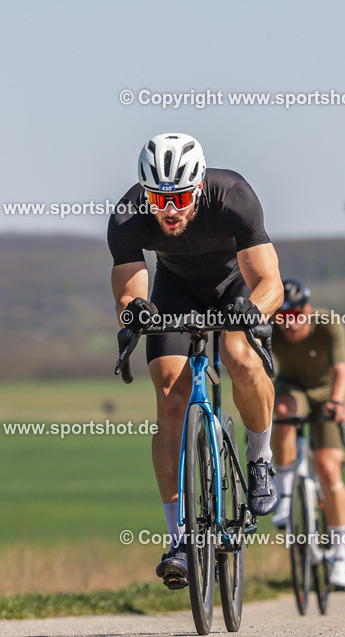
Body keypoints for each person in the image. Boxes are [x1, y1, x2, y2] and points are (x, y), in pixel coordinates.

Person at [107, 133, 284, 589]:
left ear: (200, 187)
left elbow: (269, 282)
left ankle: (260, 459)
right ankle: (180, 540)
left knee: (241, 357)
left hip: (235, 289)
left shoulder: (233, 197)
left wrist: (253, 311)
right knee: (169, 400)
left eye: (181, 197)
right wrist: (135, 309)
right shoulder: (128, 215)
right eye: (159, 199)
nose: (170, 209)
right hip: (174, 291)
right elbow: (129, 289)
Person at [269, 279, 345, 588]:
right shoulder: (272, 327)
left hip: (326, 394)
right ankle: (286, 493)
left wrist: (337, 401)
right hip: (292, 389)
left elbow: (341, 370)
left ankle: (341, 556)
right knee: (281, 414)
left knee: (330, 470)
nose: (289, 324)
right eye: (282, 317)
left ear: (306, 310)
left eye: (294, 315)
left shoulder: (327, 323)